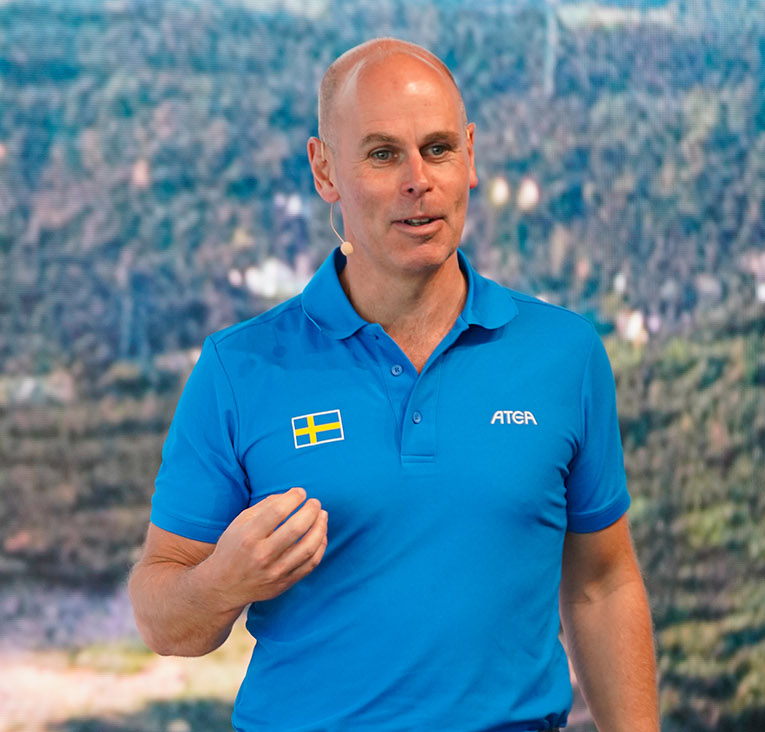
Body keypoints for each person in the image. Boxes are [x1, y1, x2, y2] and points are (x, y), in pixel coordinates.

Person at [129, 38, 659, 732]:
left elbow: (601, 584)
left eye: (438, 149)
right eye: (383, 155)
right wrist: (221, 583)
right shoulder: (240, 368)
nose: (419, 180)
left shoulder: (564, 353)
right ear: (325, 170)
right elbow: (163, 617)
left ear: (470, 155)